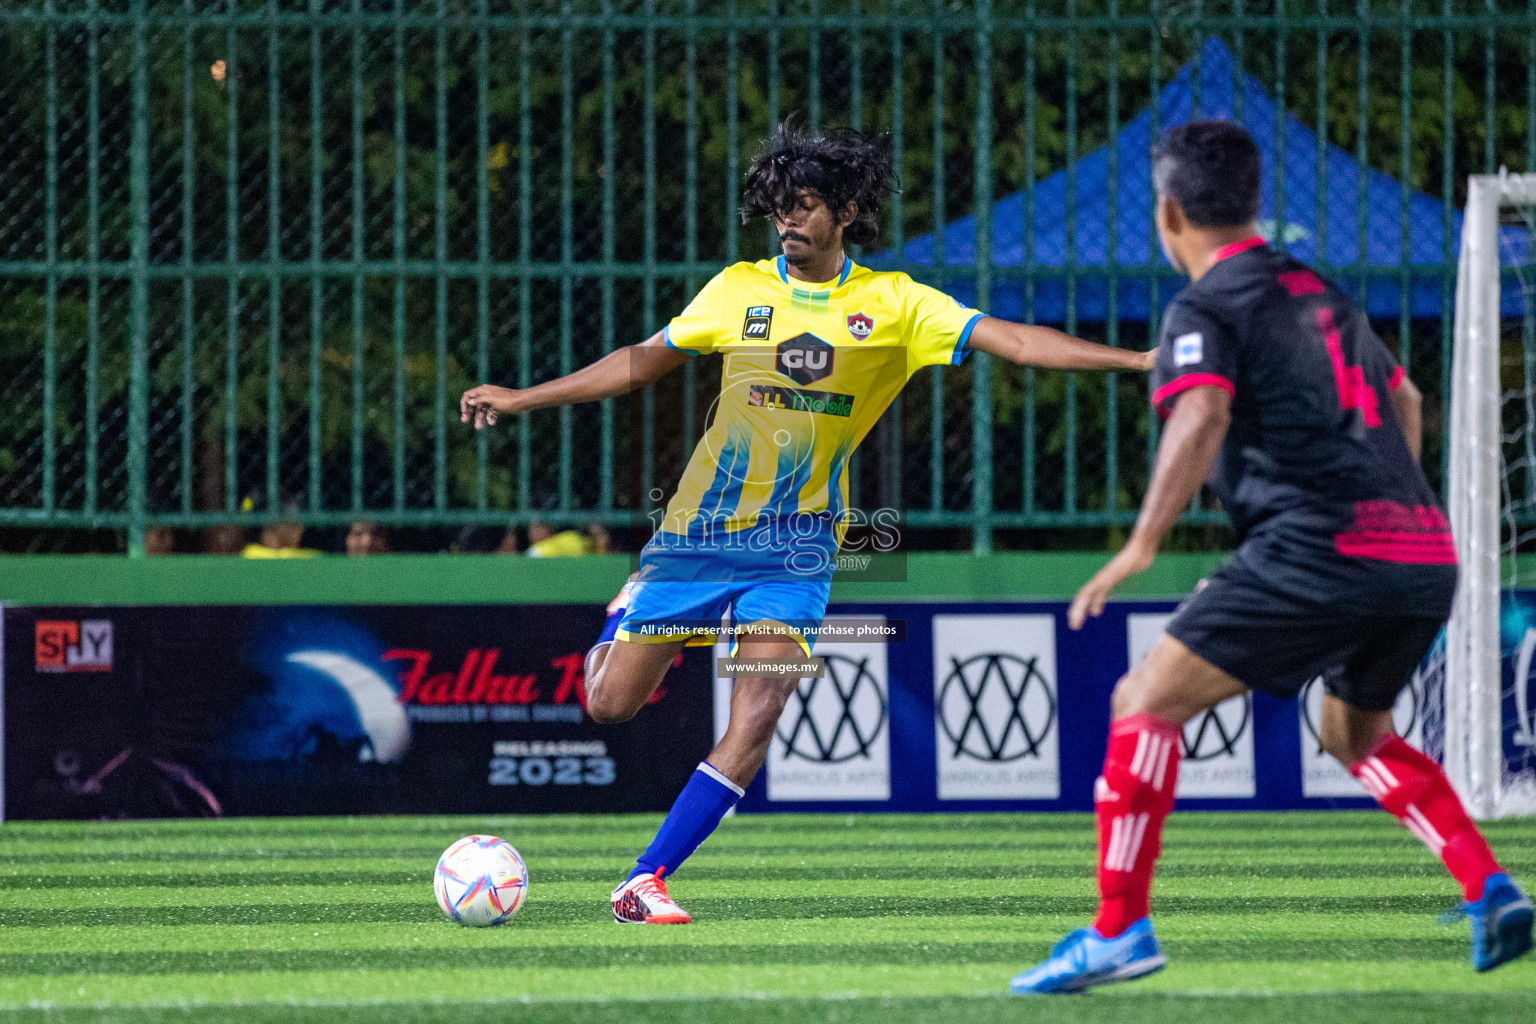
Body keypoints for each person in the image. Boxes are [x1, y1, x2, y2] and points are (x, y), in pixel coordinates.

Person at [462, 119, 1154, 926]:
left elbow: (1019, 341)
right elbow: (638, 362)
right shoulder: (738, 289)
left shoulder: (896, 305)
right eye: (778, 206)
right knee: (610, 705)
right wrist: (521, 396)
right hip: (699, 533)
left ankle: (644, 879)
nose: (788, 220)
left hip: (798, 548)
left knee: (758, 712)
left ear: (847, 211)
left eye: (805, 205)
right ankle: (623, 614)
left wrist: (1138, 361)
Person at [1011, 121, 1533, 995]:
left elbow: (1201, 414)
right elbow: (1402, 395)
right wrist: (1397, 507)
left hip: (1318, 546)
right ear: (1253, 202)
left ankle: (1117, 931)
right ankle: (1491, 889)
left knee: (1144, 701)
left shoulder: (1205, 306)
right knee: (1354, 732)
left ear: (1168, 210)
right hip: (1417, 547)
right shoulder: (1320, 289)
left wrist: (1140, 545)